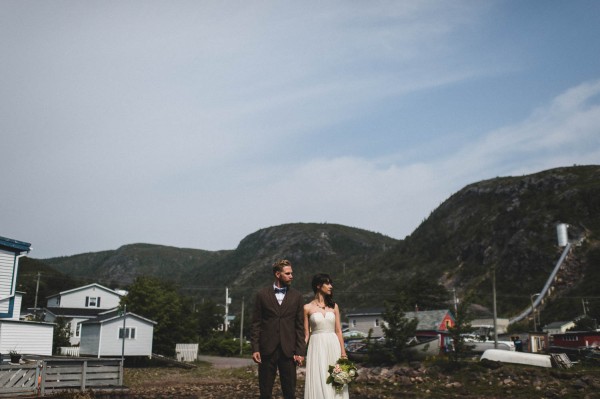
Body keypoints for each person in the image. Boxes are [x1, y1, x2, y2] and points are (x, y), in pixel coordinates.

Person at [251, 259, 306, 399]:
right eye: (287, 273)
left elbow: (300, 326)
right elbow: (256, 324)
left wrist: (300, 351)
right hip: (266, 349)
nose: (291, 276)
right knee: (265, 391)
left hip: (289, 351)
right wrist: (255, 348)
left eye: (291, 273)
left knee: (289, 392)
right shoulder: (262, 295)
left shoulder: (297, 297)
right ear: (277, 274)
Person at [303, 273, 349, 399]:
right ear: (318, 286)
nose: (331, 286)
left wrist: (343, 353)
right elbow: (306, 334)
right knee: (320, 378)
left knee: (336, 378)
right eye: (327, 283)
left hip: (333, 345)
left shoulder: (334, 306)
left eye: (331, 283)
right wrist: (300, 352)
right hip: (316, 347)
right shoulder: (307, 308)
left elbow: (339, 330)